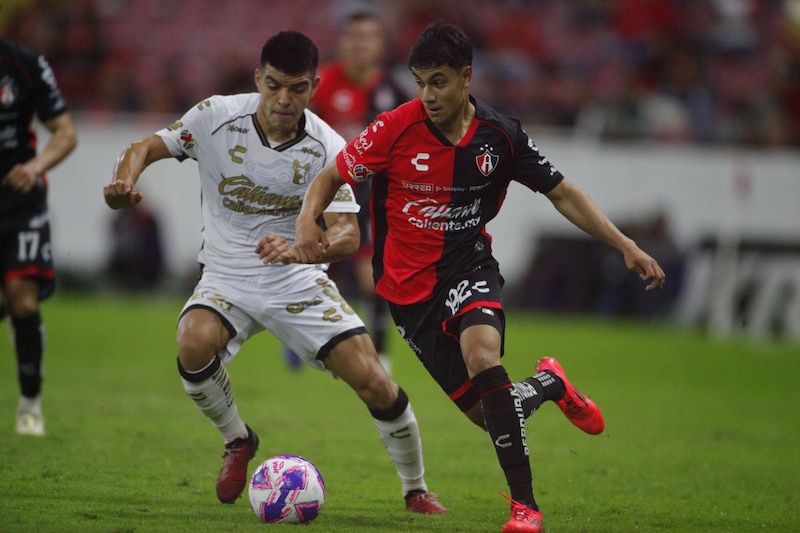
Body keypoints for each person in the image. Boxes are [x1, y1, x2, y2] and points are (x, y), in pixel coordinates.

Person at [290, 22, 666, 533]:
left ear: (467, 77)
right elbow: (330, 176)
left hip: (469, 268)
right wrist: (306, 219)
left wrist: (624, 244)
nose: (428, 95)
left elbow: (563, 193)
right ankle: (550, 383)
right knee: (487, 414)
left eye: (439, 82)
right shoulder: (395, 127)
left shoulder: (501, 136)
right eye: (420, 82)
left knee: (483, 355)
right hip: (406, 293)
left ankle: (525, 508)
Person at [103, 31, 447, 514]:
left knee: (373, 378)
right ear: (257, 79)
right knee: (192, 343)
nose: (284, 100)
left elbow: (348, 234)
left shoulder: (328, 144)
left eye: (298, 88)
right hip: (227, 277)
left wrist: (299, 252)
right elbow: (143, 146)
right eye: (273, 85)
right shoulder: (215, 118)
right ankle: (238, 440)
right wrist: (124, 180)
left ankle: (416, 489)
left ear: (315, 85)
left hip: (297, 281)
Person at [278, 3, 409, 373]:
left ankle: (379, 356)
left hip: (368, 194)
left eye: (369, 37)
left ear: (381, 44)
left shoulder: (392, 91)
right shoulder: (322, 84)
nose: (361, 45)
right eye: (354, 37)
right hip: (321, 188)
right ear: (343, 41)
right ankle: (299, 338)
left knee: (373, 276)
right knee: (309, 265)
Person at [1, 6, 79, 436]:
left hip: (20, 201)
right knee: (8, 306)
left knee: (24, 301)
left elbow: (65, 132)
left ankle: (30, 404)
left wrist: (35, 166)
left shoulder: (24, 64)